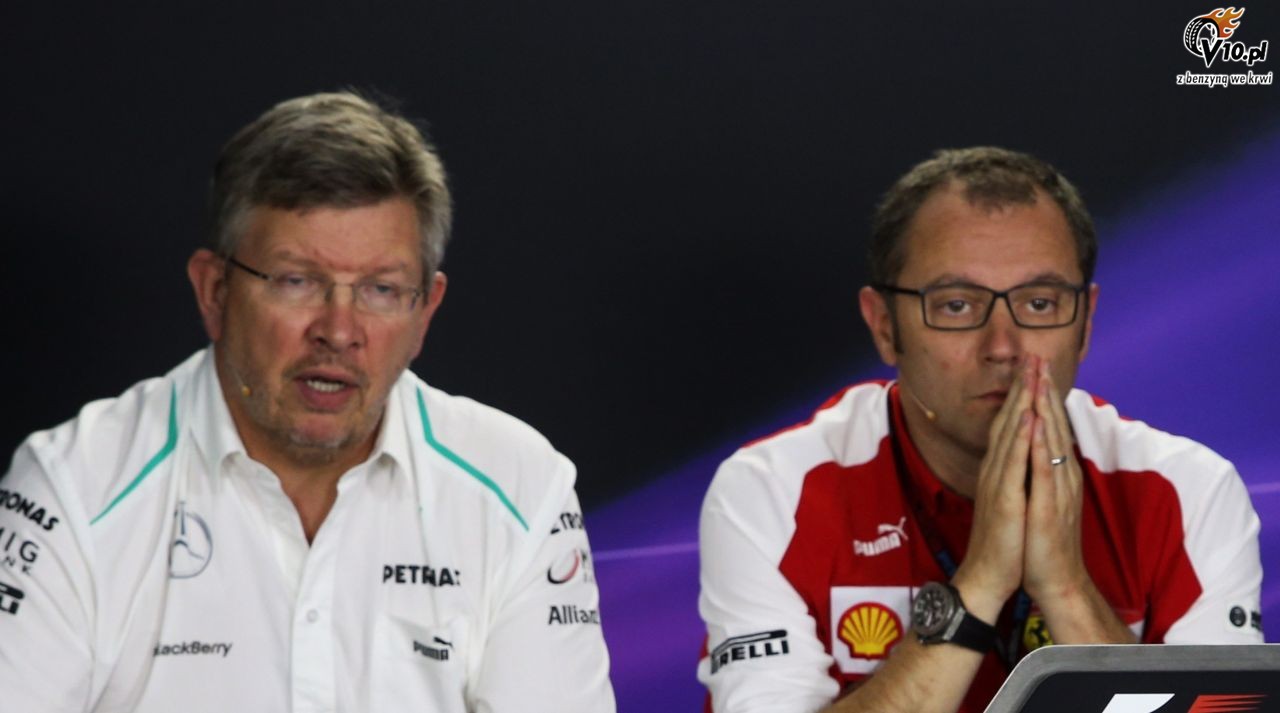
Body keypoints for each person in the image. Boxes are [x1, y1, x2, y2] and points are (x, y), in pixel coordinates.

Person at [0, 91, 615, 712]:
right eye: (297, 281)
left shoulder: (521, 488)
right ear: (214, 291)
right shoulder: (74, 490)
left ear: (425, 311)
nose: (339, 330)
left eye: (381, 289)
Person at [696, 147, 1263, 713]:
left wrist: (1066, 590)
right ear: (884, 327)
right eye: (956, 306)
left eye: (1039, 304)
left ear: (1086, 324)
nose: (1003, 347)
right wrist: (980, 582)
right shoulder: (772, 493)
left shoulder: (1190, 492)